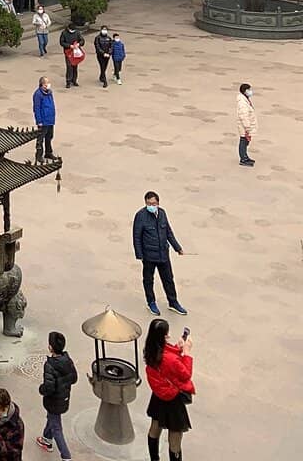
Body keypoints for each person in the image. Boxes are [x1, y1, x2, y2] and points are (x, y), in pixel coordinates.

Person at [143, 319, 194, 461]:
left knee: (155, 426)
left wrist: (178, 348)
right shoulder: (170, 360)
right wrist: (187, 353)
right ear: (162, 337)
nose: (169, 336)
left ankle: (154, 458)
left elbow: (166, 359)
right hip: (173, 399)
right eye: (166, 335)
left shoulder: (151, 350)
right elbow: (185, 374)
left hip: (159, 394)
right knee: (175, 436)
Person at [132, 191, 186, 317]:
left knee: (168, 279)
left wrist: (177, 247)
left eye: (154, 203)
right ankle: (151, 302)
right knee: (149, 280)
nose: (152, 205)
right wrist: (140, 255)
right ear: (146, 203)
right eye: (149, 203)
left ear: (158, 203)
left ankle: (173, 302)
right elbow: (136, 236)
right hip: (149, 256)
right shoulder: (140, 216)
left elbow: (168, 232)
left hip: (163, 254)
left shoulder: (162, 213)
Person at [35, 331, 78, 457]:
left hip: (53, 401)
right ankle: (47, 439)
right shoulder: (68, 360)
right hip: (64, 398)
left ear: (50, 347)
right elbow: (74, 378)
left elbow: (49, 387)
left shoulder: (50, 365)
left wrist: (41, 389)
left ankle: (66, 456)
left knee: (56, 428)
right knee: (52, 418)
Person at [32, 77, 57, 162]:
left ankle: (48, 152)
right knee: (40, 138)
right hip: (43, 120)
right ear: (42, 85)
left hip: (50, 119)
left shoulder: (50, 93)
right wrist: (39, 121)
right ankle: (39, 155)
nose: (48, 85)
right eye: (46, 83)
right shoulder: (38, 94)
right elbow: (37, 108)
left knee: (49, 136)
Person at [237, 82, 258, 167]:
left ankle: (245, 156)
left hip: (246, 125)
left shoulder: (245, 99)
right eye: (249, 90)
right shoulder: (242, 103)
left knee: (246, 142)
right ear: (245, 91)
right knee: (243, 141)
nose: (250, 91)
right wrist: (247, 127)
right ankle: (243, 159)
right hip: (245, 126)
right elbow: (244, 116)